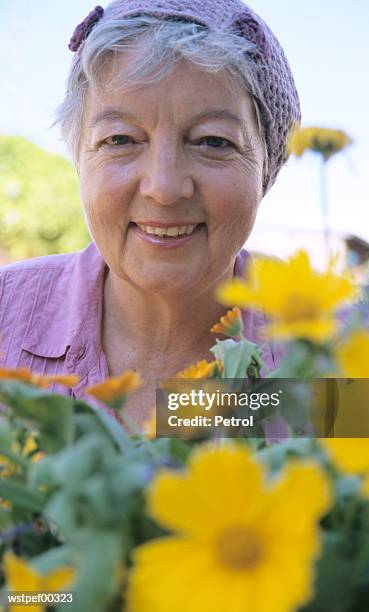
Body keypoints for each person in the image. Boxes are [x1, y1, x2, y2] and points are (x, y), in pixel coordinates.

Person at [0, 0, 300, 428]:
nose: (163, 187)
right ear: (79, 159)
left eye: (213, 141)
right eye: (120, 139)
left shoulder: (344, 355)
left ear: (267, 165)